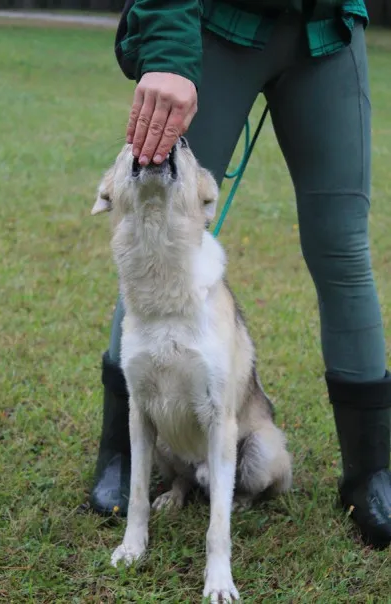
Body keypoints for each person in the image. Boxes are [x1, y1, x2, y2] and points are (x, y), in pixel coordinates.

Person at [89, 0, 391, 548]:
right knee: (155, 222)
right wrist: (167, 52)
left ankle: (371, 471)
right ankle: (119, 453)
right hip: (215, 22)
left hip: (326, 29)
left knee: (343, 249)